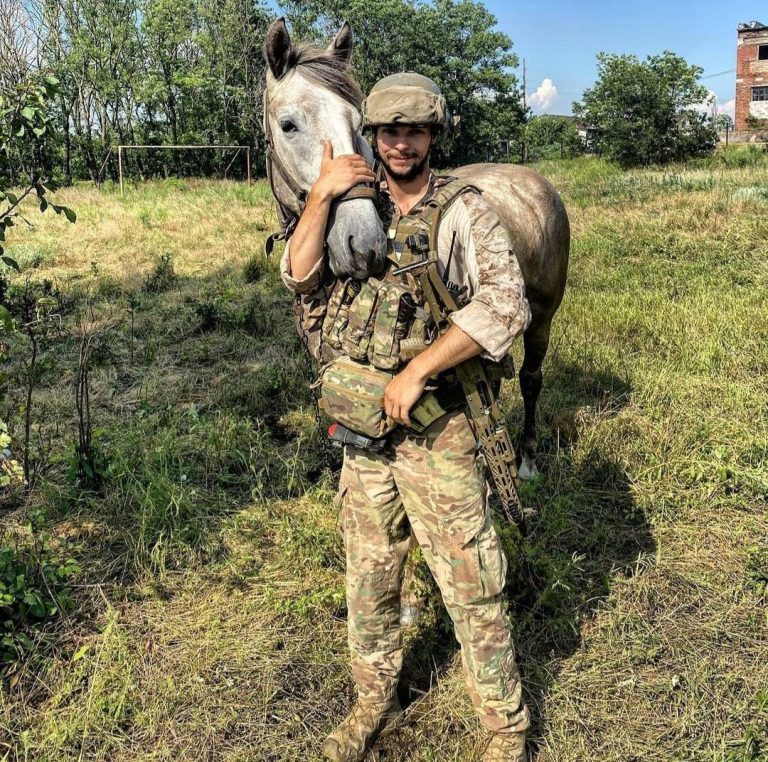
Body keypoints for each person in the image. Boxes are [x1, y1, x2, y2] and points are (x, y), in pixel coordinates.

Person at [279, 72, 531, 762]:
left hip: (436, 429)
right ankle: (371, 704)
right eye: (387, 130)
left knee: (471, 581)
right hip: (363, 435)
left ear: (433, 136)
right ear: (371, 134)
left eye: (413, 130)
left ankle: (505, 731)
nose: (398, 143)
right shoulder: (353, 203)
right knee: (368, 577)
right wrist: (322, 195)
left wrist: (420, 368)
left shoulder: (463, 211)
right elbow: (298, 277)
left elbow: (506, 306)